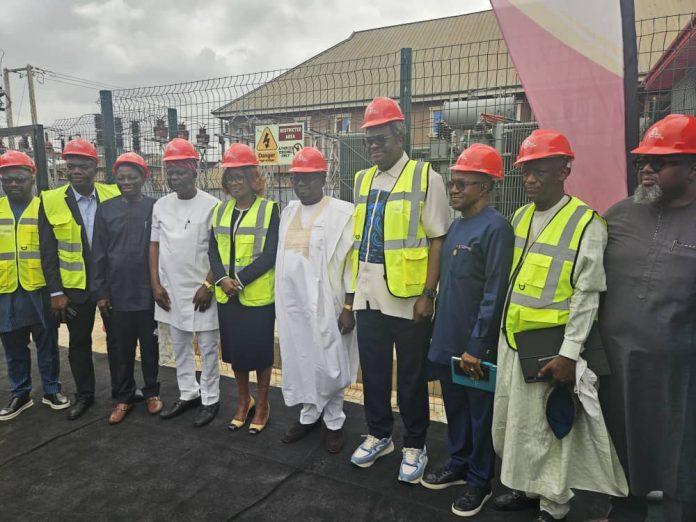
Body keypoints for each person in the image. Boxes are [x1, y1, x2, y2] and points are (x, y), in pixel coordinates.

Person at [491, 129, 628, 521]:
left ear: (564, 171)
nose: (530, 179)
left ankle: (553, 504)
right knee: (513, 425)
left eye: (540, 170)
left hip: (550, 349)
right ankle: (527, 488)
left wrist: (569, 354)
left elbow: (588, 295)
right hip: (513, 341)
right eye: (526, 170)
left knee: (547, 431)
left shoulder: (587, 223)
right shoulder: (521, 217)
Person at [600, 114, 696, 522]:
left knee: (682, 465)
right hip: (618, 371)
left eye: (660, 162)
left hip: (681, 377)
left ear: (692, 168)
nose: (647, 169)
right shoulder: (618, 216)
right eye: (642, 161)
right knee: (621, 456)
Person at [349, 97, 450, 483]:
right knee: (373, 373)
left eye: (381, 138)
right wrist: (352, 293)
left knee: (410, 377)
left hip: (408, 299)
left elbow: (437, 239)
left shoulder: (426, 178)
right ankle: (379, 435)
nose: (374, 146)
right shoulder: (362, 179)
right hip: (368, 294)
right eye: (369, 140)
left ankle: (415, 444)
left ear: (400, 136)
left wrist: (429, 294)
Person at [422, 145, 513, 517]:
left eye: (462, 183)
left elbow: (495, 293)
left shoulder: (496, 229)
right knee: (455, 409)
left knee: (480, 415)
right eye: (452, 182)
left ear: (485, 186)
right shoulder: (457, 226)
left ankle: (479, 480)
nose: (454, 189)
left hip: (475, 347)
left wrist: (477, 345)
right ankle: (459, 463)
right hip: (448, 339)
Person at [276, 147, 358, 453]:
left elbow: (352, 264)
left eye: (308, 178)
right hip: (293, 306)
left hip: (328, 304)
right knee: (301, 357)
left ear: (323, 178)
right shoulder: (288, 212)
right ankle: (309, 414)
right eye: (297, 178)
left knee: (330, 362)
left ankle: (334, 421)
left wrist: (348, 306)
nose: (301, 184)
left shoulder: (342, 213)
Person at [39, 138, 120, 420]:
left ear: (95, 167)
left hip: (110, 283)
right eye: (70, 166)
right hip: (75, 287)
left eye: (83, 166)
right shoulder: (50, 200)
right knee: (79, 343)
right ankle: (85, 395)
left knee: (117, 340)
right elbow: (48, 252)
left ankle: (122, 392)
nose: (75, 171)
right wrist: (56, 292)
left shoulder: (113, 194)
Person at [150, 138, 220, 428]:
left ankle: (211, 399)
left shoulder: (212, 205)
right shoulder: (161, 205)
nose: (175, 177)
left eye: (180, 171)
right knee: (180, 345)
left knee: (208, 347)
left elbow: (220, 251)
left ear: (194, 171)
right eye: (171, 172)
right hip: (170, 291)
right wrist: (155, 284)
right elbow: (154, 245)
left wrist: (209, 285)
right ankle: (188, 393)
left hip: (202, 290)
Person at [208, 143, 278, 434]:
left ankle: (262, 404)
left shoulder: (270, 210)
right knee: (236, 353)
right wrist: (221, 279)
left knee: (260, 354)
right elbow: (213, 250)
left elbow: (271, 254)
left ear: (253, 179)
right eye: (230, 178)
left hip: (257, 297)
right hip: (227, 296)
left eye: (240, 177)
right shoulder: (220, 210)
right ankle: (243, 401)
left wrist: (239, 280)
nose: (234, 183)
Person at [92, 152, 162, 425]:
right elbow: (98, 253)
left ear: (144, 178)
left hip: (148, 293)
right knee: (121, 350)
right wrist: (101, 293)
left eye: (132, 177)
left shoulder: (155, 207)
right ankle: (123, 398)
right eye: (121, 178)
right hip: (117, 294)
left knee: (150, 346)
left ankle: (152, 392)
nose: (126, 182)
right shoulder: (106, 209)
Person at [0, 151, 69, 420]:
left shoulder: (44, 209)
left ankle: (51, 389)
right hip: (7, 292)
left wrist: (56, 291)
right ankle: (20, 393)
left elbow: (53, 254)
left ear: (32, 178)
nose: (13, 184)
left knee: (47, 343)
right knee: (13, 346)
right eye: (7, 179)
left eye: (19, 179)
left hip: (39, 290)